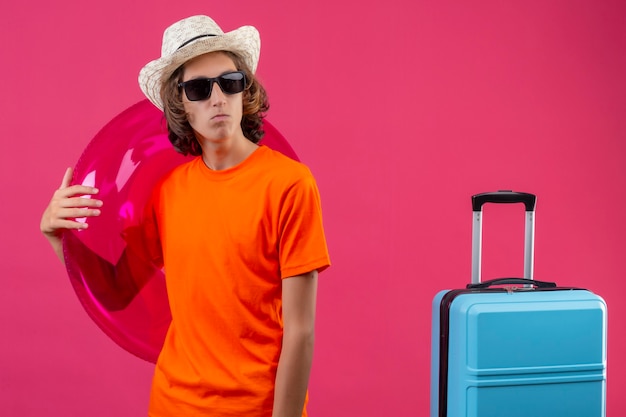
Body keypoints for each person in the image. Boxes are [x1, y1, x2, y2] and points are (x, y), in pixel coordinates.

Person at [40, 15, 330, 417]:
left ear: (244, 91)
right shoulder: (169, 191)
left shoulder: (289, 184)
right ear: (180, 106)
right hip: (173, 404)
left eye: (230, 82)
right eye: (198, 88)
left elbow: (301, 331)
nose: (217, 97)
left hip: (256, 407)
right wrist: (61, 238)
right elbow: (116, 293)